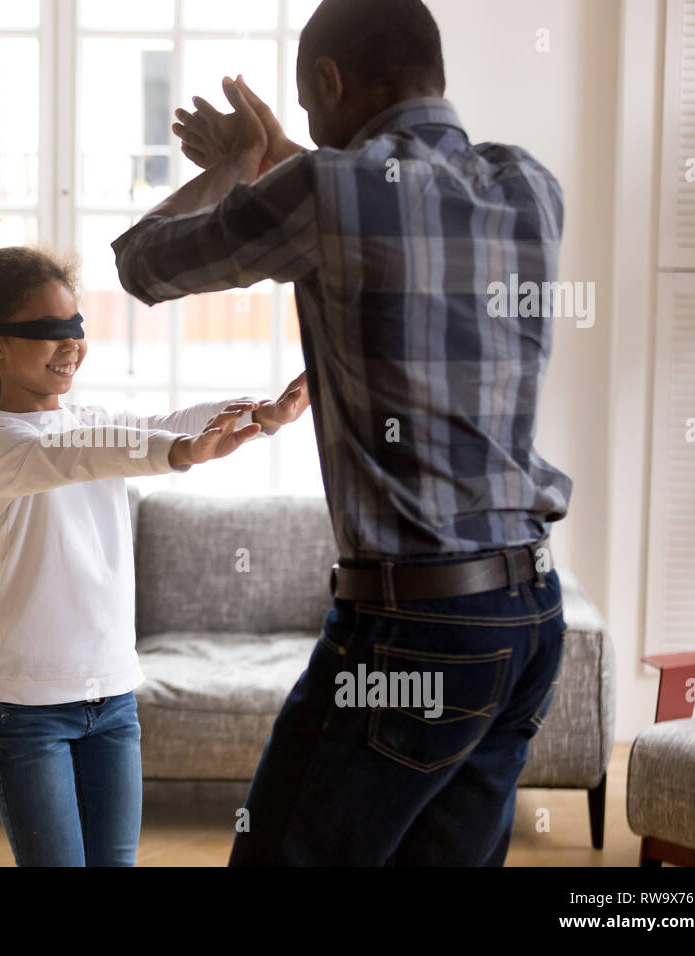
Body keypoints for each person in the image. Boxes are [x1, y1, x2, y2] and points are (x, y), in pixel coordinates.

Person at [111, 0, 573, 865]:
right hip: (528, 621)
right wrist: (282, 157)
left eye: (313, 105)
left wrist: (237, 168)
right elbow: (383, 202)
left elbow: (141, 262)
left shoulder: (324, 192)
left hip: (417, 626)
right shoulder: (529, 186)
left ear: (330, 80)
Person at [0, 221, 310, 866]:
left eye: (75, 324)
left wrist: (259, 415)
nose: (70, 344)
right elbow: (82, 456)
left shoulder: (89, 420)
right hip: (27, 704)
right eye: (46, 330)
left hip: (112, 696)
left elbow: (161, 424)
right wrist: (179, 453)